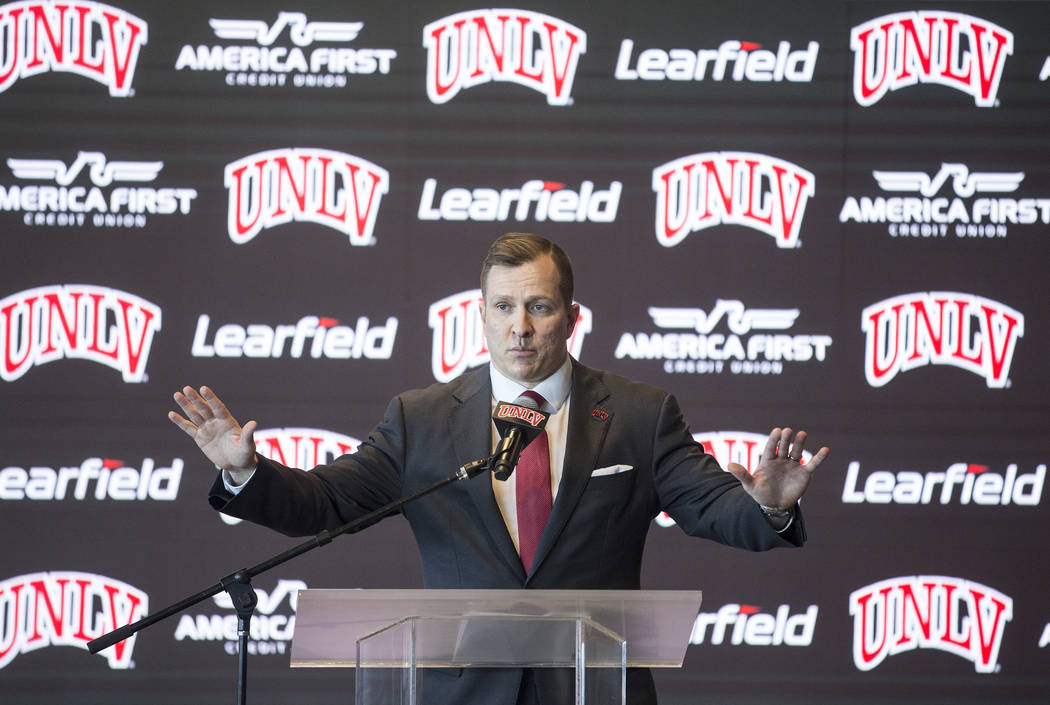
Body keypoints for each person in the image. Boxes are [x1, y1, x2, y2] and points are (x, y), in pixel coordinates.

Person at [170, 232, 829, 705]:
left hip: (595, 692)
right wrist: (246, 473)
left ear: (570, 316)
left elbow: (713, 505)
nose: (521, 326)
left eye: (539, 306)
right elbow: (324, 503)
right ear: (481, 316)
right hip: (463, 692)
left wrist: (768, 504)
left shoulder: (639, 414)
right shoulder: (422, 417)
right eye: (504, 307)